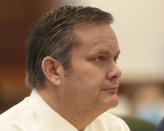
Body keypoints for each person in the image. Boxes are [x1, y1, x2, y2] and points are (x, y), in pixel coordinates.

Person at [0, 5, 130, 131]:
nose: (117, 72)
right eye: (100, 58)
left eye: (115, 59)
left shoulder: (115, 127)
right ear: (53, 70)